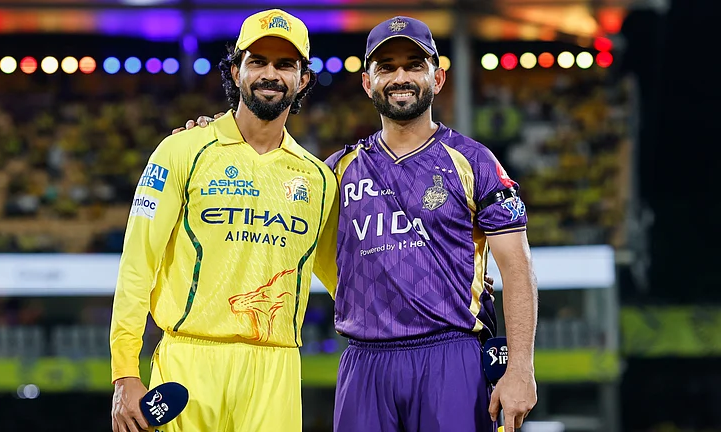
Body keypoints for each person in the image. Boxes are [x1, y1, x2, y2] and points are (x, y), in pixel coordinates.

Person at [177, 16, 537, 432]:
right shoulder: (334, 173)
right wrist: (212, 140)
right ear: (368, 83)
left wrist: (521, 367)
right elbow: (262, 205)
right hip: (364, 362)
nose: (400, 77)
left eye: (413, 65)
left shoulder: (474, 161)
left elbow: (517, 267)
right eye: (386, 67)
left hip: (450, 353)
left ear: (437, 78)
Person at [109, 9, 338, 432]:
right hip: (188, 361)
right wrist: (124, 370)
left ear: (303, 79)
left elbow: (350, 284)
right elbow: (137, 266)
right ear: (235, 71)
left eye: (285, 64)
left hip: (277, 370)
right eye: (258, 61)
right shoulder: (181, 151)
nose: (270, 74)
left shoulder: (319, 179)